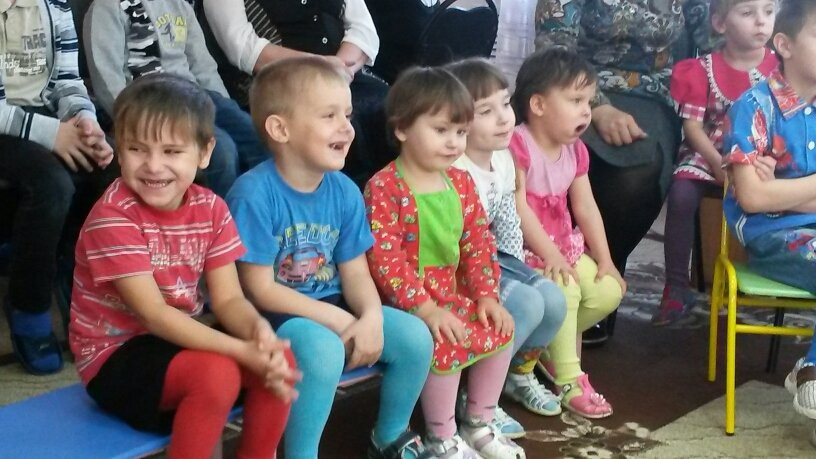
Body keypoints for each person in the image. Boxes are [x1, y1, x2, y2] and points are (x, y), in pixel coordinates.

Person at [69, 74, 298, 459]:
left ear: (205, 152)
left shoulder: (212, 209)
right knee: (217, 374)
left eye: (172, 151)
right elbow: (155, 315)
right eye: (137, 149)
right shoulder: (113, 217)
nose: (153, 166)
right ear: (119, 150)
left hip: (177, 343)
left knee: (280, 358)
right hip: (115, 359)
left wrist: (257, 333)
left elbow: (229, 300)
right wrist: (242, 351)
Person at [227, 57, 433, 459]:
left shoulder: (344, 191)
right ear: (280, 129)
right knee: (324, 350)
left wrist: (370, 316)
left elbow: (355, 273)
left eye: (347, 115)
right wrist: (339, 320)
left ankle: (389, 437)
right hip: (273, 320)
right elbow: (259, 290)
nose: (346, 127)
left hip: (332, 304)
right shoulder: (253, 194)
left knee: (414, 337)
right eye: (329, 115)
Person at [366, 66, 525, 458]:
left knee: (499, 327)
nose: (454, 142)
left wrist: (487, 296)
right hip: (403, 304)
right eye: (441, 130)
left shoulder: (460, 182)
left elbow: (478, 243)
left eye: (461, 131)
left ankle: (479, 422)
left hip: (450, 295)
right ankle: (442, 435)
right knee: (445, 340)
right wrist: (425, 308)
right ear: (402, 128)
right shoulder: (385, 187)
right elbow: (386, 261)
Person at [535, 0, 715, 342]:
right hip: (568, 86)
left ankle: (598, 279)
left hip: (651, 95)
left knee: (636, 174)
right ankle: (542, 275)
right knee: (547, 158)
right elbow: (553, 47)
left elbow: (718, 37)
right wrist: (597, 107)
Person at [447, 58, 567, 437]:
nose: (504, 118)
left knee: (554, 298)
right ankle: (475, 395)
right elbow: (455, 244)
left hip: (494, 256)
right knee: (526, 303)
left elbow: (508, 217)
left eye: (505, 103)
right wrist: (499, 283)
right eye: (486, 111)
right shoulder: (454, 168)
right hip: (458, 265)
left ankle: (516, 373)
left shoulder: (502, 158)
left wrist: (517, 266)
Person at [0, 0, 114, 375]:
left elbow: (68, 80)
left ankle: (74, 272)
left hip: (43, 118)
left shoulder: (55, 6)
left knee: (108, 168)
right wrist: (52, 134)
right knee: (51, 185)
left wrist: (85, 121)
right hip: (6, 124)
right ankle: (27, 302)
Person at [509, 48, 624, 419]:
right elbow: (519, 208)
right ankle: (569, 379)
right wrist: (552, 256)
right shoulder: (517, 145)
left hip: (563, 247)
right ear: (538, 105)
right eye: (576, 101)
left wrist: (605, 258)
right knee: (566, 288)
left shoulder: (575, 151)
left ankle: (545, 346)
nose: (586, 111)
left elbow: (585, 206)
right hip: (524, 253)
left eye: (589, 102)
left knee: (608, 291)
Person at [720, 0, 816, 421]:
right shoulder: (754, 106)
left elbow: (768, 194)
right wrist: (772, 192)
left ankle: (809, 371)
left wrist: (780, 189)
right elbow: (753, 200)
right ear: (785, 45)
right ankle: (811, 370)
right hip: (770, 235)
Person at [654, 0, 778, 327]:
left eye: (768, 12)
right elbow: (693, 128)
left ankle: (777, 269)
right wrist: (718, 162)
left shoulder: (781, 69)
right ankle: (676, 287)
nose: (761, 22)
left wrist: (762, 163)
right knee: (681, 194)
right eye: (748, 13)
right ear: (721, 24)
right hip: (709, 151)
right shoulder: (702, 70)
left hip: (762, 155)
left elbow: (784, 121)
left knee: (785, 191)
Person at [83, 0, 268, 197]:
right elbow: (106, 79)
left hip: (196, 96)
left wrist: (223, 105)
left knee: (258, 136)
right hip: (150, 105)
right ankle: (220, 214)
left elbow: (203, 66)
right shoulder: (108, 8)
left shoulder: (179, 5)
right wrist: (132, 119)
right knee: (222, 150)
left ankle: (262, 206)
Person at [199, 0, 391, 188]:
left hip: (344, 72)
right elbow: (241, 46)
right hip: (280, 83)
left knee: (390, 107)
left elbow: (363, 28)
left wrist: (337, 72)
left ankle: (386, 201)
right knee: (327, 123)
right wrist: (319, 67)